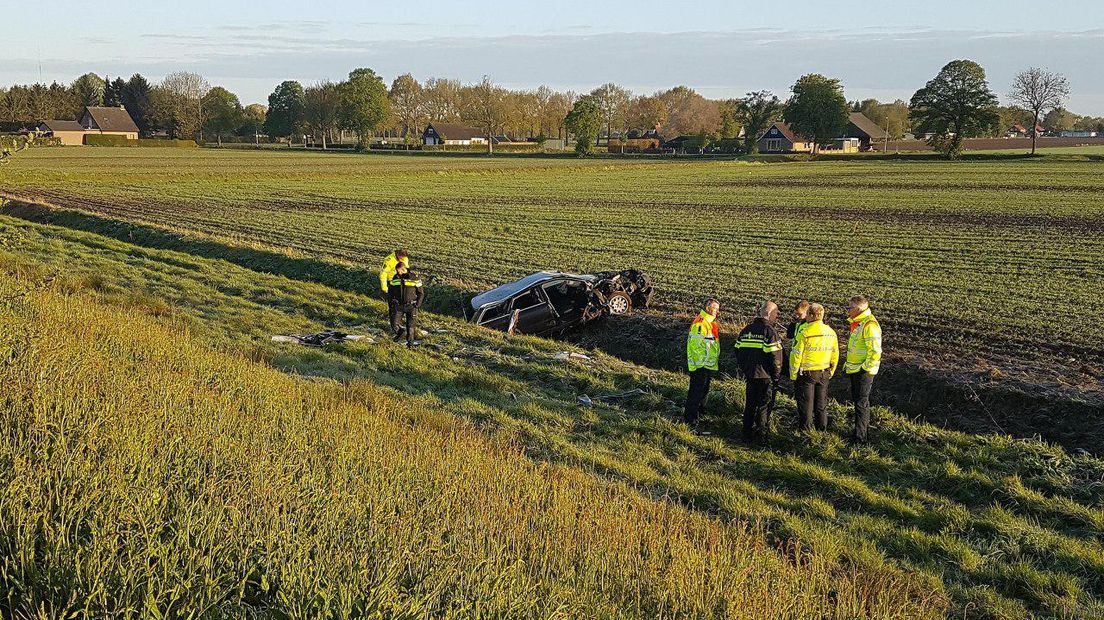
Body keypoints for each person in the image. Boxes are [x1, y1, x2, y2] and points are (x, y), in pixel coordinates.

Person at [735, 301, 783, 443]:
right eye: (776, 314)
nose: (777, 317)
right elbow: (776, 358)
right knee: (764, 404)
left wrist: (745, 368)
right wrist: (776, 375)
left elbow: (737, 351)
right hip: (765, 375)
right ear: (768, 314)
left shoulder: (746, 330)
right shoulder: (770, 332)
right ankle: (761, 435)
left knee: (750, 403)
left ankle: (746, 432)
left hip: (750, 374)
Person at [789, 303, 839, 432]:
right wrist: (831, 371)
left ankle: (807, 433)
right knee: (821, 406)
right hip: (824, 373)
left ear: (810, 315)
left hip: (807, 374)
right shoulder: (831, 332)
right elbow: (835, 354)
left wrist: (793, 374)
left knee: (806, 406)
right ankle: (821, 431)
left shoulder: (805, 333)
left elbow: (796, 355)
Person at [844, 295, 882, 443]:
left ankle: (860, 438)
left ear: (858, 309)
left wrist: (865, 368)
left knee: (861, 403)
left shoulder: (869, 325)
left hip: (863, 371)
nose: (848, 310)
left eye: (850, 307)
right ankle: (858, 433)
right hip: (856, 369)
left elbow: (875, 351)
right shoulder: (859, 323)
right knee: (858, 402)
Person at [684, 298, 721, 432]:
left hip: (707, 365)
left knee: (703, 391)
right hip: (701, 366)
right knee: (696, 393)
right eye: (715, 308)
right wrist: (701, 365)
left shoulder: (710, 323)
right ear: (708, 308)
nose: (718, 311)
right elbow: (695, 346)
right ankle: (691, 419)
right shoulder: (701, 323)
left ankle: (699, 413)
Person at [388, 263, 425, 347]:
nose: (397, 273)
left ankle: (410, 344)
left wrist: (418, 304)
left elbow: (421, 293)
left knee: (411, 325)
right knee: (394, 324)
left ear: (403, 269)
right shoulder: (395, 278)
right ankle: (401, 333)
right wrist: (391, 303)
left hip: (411, 305)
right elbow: (390, 292)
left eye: (398, 271)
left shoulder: (415, 278)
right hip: (398, 305)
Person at [379, 249, 410, 330]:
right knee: (393, 304)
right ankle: (394, 326)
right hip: (392, 283)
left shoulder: (405, 258)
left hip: (401, 282)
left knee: (402, 303)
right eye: (402, 258)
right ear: (398, 255)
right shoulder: (389, 260)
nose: (404, 260)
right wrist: (384, 288)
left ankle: (400, 322)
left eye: (404, 258)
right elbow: (383, 274)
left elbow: (406, 269)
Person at [781, 300, 810, 381]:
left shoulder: (809, 325)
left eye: (799, 314)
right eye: (796, 314)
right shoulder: (798, 323)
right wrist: (793, 323)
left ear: (807, 312)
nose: (797, 316)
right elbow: (789, 335)